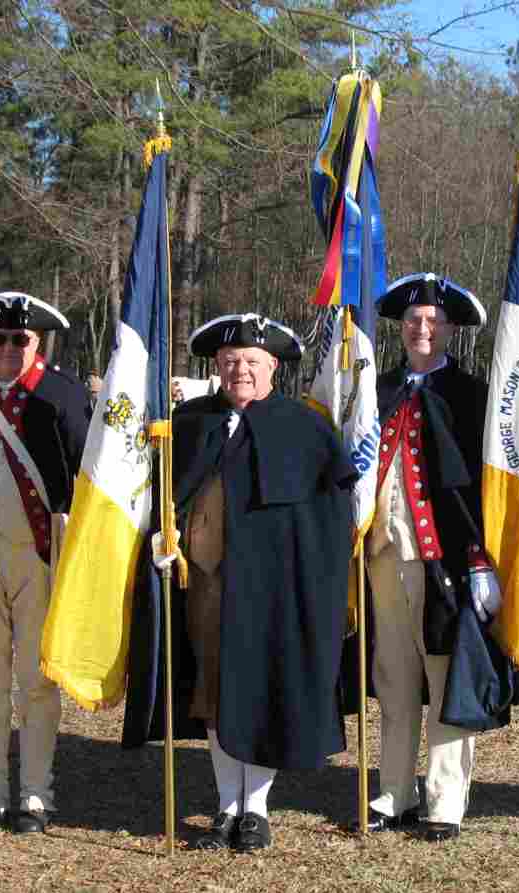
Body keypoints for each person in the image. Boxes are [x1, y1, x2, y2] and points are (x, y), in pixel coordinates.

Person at [122, 313, 357, 853]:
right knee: (213, 692)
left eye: (252, 361)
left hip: (273, 593)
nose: (240, 370)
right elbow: (161, 496)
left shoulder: (304, 428)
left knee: (263, 692)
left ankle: (257, 808)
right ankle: (227, 806)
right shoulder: (190, 422)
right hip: (203, 584)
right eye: (230, 362)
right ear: (216, 368)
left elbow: (328, 522)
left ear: (273, 365)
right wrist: (160, 537)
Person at [356, 272, 510, 843]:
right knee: (393, 678)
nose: (423, 328)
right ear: (402, 329)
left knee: (447, 677)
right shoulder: (377, 389)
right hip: (381, 555)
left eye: (433, 320)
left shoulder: (471, 397)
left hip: (443, 561)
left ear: (450, 329)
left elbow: (483, 490)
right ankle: (393, 791)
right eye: (414, 320)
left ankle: (445, 799)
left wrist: (479, 559)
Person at [0, 291, 91, 835]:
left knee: (35, 679)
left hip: (40, 554)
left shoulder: (62, 393)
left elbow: (86, 473)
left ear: (38, 342)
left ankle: (34, 795)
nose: (8, 348)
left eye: (19, 339)